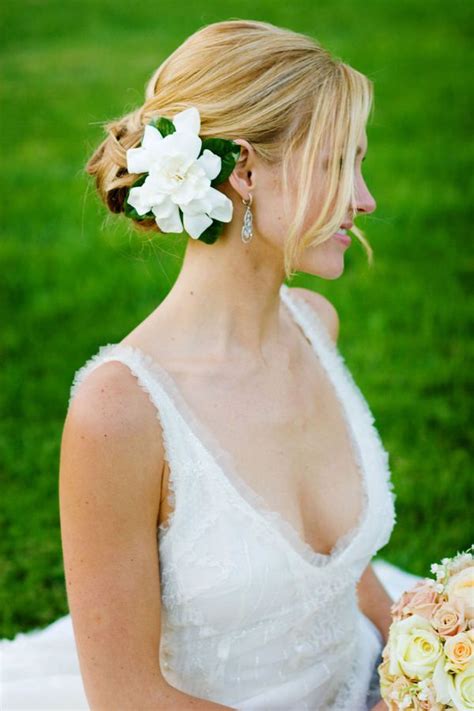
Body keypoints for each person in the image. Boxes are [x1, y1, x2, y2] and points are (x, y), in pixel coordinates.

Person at [0, 19, 424, 711]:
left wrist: (424, 656)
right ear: (248, 170)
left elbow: (341, 574)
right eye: (337, 163)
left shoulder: (315, 325)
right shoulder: (121, 411)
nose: (365, 198)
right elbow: (128, 696)